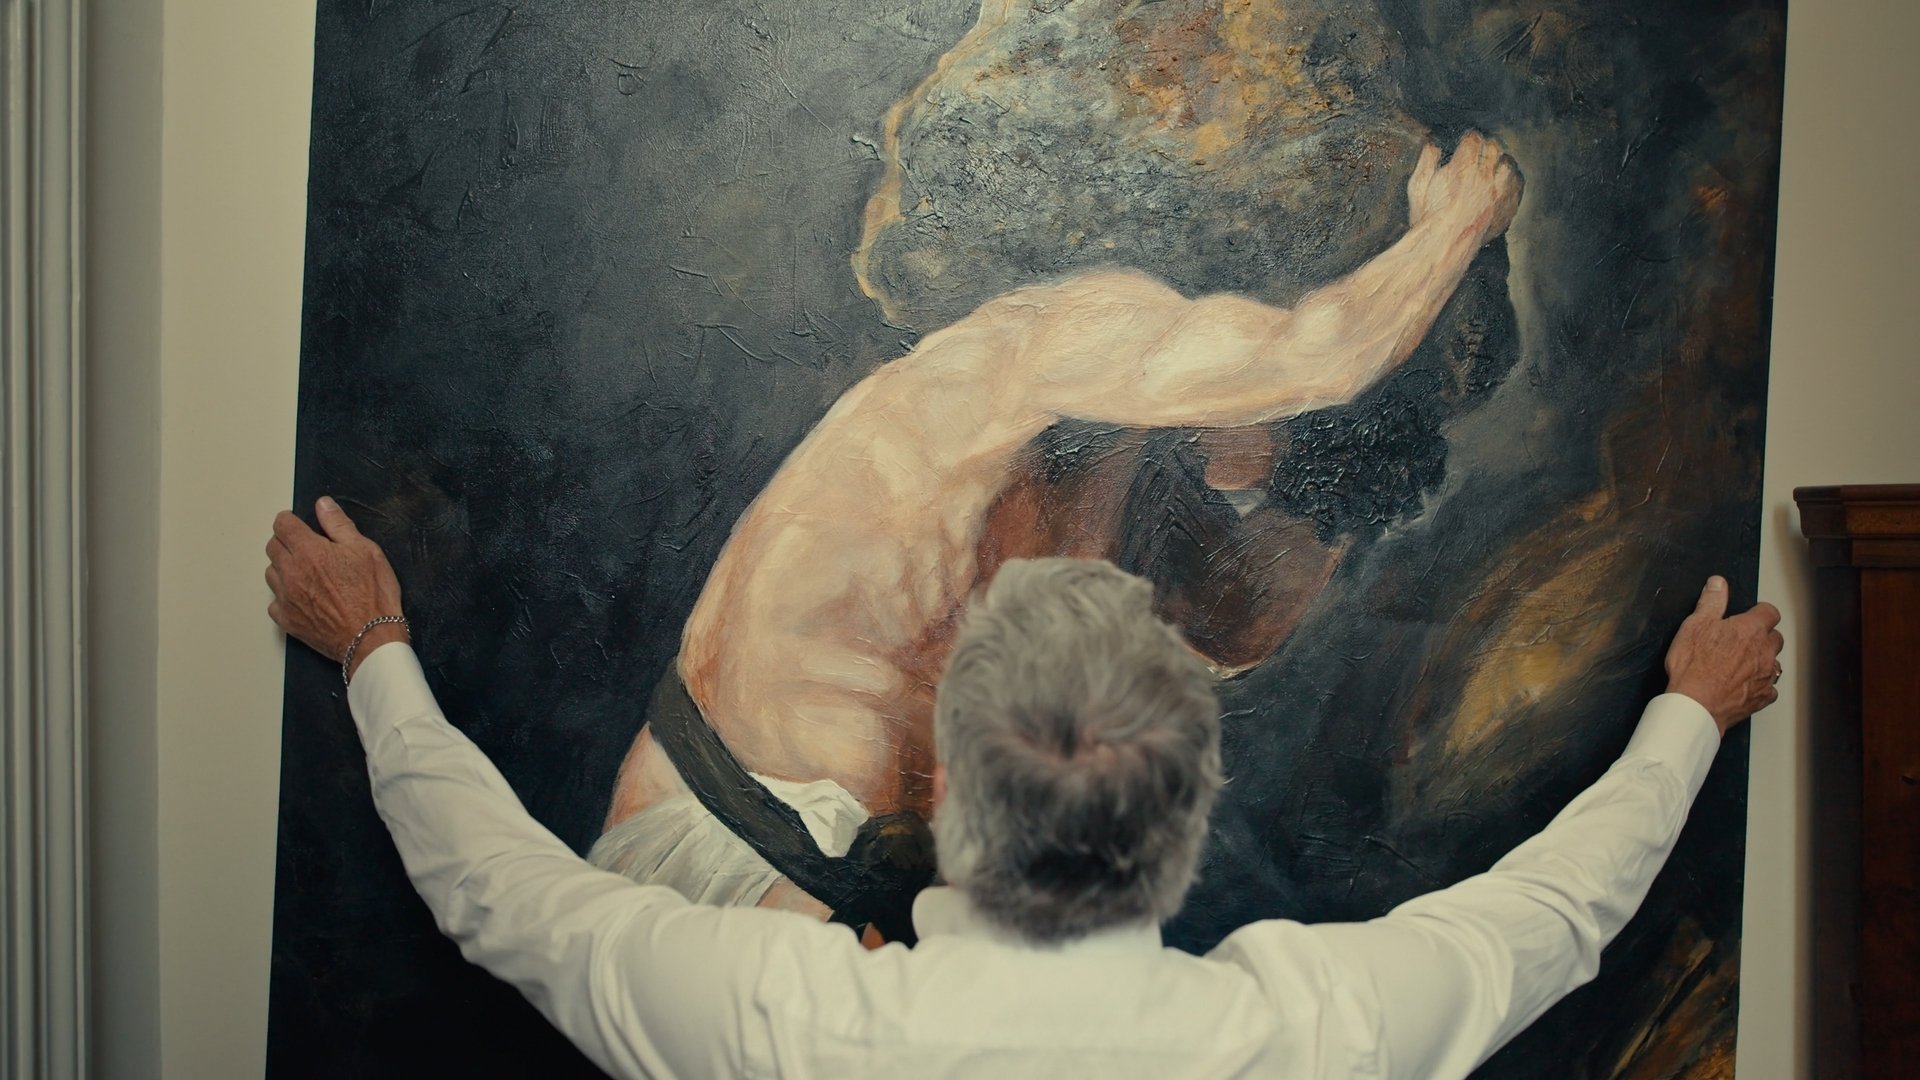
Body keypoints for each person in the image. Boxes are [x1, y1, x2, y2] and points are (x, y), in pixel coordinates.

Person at [265, 495, 1783, 1079]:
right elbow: (1557, 913)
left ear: (942, 791)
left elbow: (502, 890)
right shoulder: (1309, 1034)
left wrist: (376, 649)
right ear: (1187, 820)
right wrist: (1690, 717)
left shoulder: (786, 1022)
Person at [590, 132, 1526, 932]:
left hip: (872, 903)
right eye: (1287, 439)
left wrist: (1338, 498)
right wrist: (1454, 226)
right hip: (732, 849)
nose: (1255, 474)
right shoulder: (1060, 338)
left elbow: (1239, 625)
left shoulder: (1140, 459)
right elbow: (1322, 356)